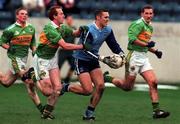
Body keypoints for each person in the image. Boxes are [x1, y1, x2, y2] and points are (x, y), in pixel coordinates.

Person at [103, 5, 170, 119]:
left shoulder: (150, 27)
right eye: (146, 13)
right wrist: (147, 45)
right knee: (127, 87)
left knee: (153, 82)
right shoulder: (138, 24)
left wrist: (155, 51)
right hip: (134, 57)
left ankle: (156, 111)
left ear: (153, 14)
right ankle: (107, 78)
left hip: (144, 58)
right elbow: (132, 40)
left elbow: (145, 44)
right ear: (142, 14)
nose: (149, 15)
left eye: (150, 13)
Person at [61, 9, 125, 120]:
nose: (108, 19)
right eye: (105, 17)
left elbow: (113, 44)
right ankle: (65, 87)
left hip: (93, 60)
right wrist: (102, 58)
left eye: (108, 17)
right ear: (98, 17)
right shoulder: (89, 29)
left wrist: (122, 54)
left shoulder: (108, 30)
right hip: (81, 59)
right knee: (88, 90)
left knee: (100, 86)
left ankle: (88, 113)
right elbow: (86, 49)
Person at [31, 5, 90, 119]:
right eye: (61, 13)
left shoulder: (62, 27)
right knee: (47, 91)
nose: (64, 15)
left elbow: (74, 33)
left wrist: (81, 30)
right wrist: (82, 46)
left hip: (52, 58)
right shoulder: (50, 29)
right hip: (42, 60)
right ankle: (33, 76)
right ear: (54, 16)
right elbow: (65, 46)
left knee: (57, 89)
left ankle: (46, 114)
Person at [0, 7, 44, 114]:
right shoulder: (10, 30)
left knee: (6, 83)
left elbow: (32, 43)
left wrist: (35, 53)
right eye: (22, 14)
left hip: (24, 59)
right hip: (15, 59)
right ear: (17, 16)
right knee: (29, 81)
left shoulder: (31, 28)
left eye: (26, 14)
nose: (24, 15)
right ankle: (43, 110)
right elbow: (2, 42)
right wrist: (9, 47)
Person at [58, 15, 76, 83]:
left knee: (73, 66)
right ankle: (58, 80)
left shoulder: (74, 28)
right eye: (69, 19)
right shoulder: (62, 28)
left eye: (71, 19)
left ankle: (67, 79)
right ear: (66, 20)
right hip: (63, 50)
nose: (70, 21)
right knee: (58, 66)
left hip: (70, 51)